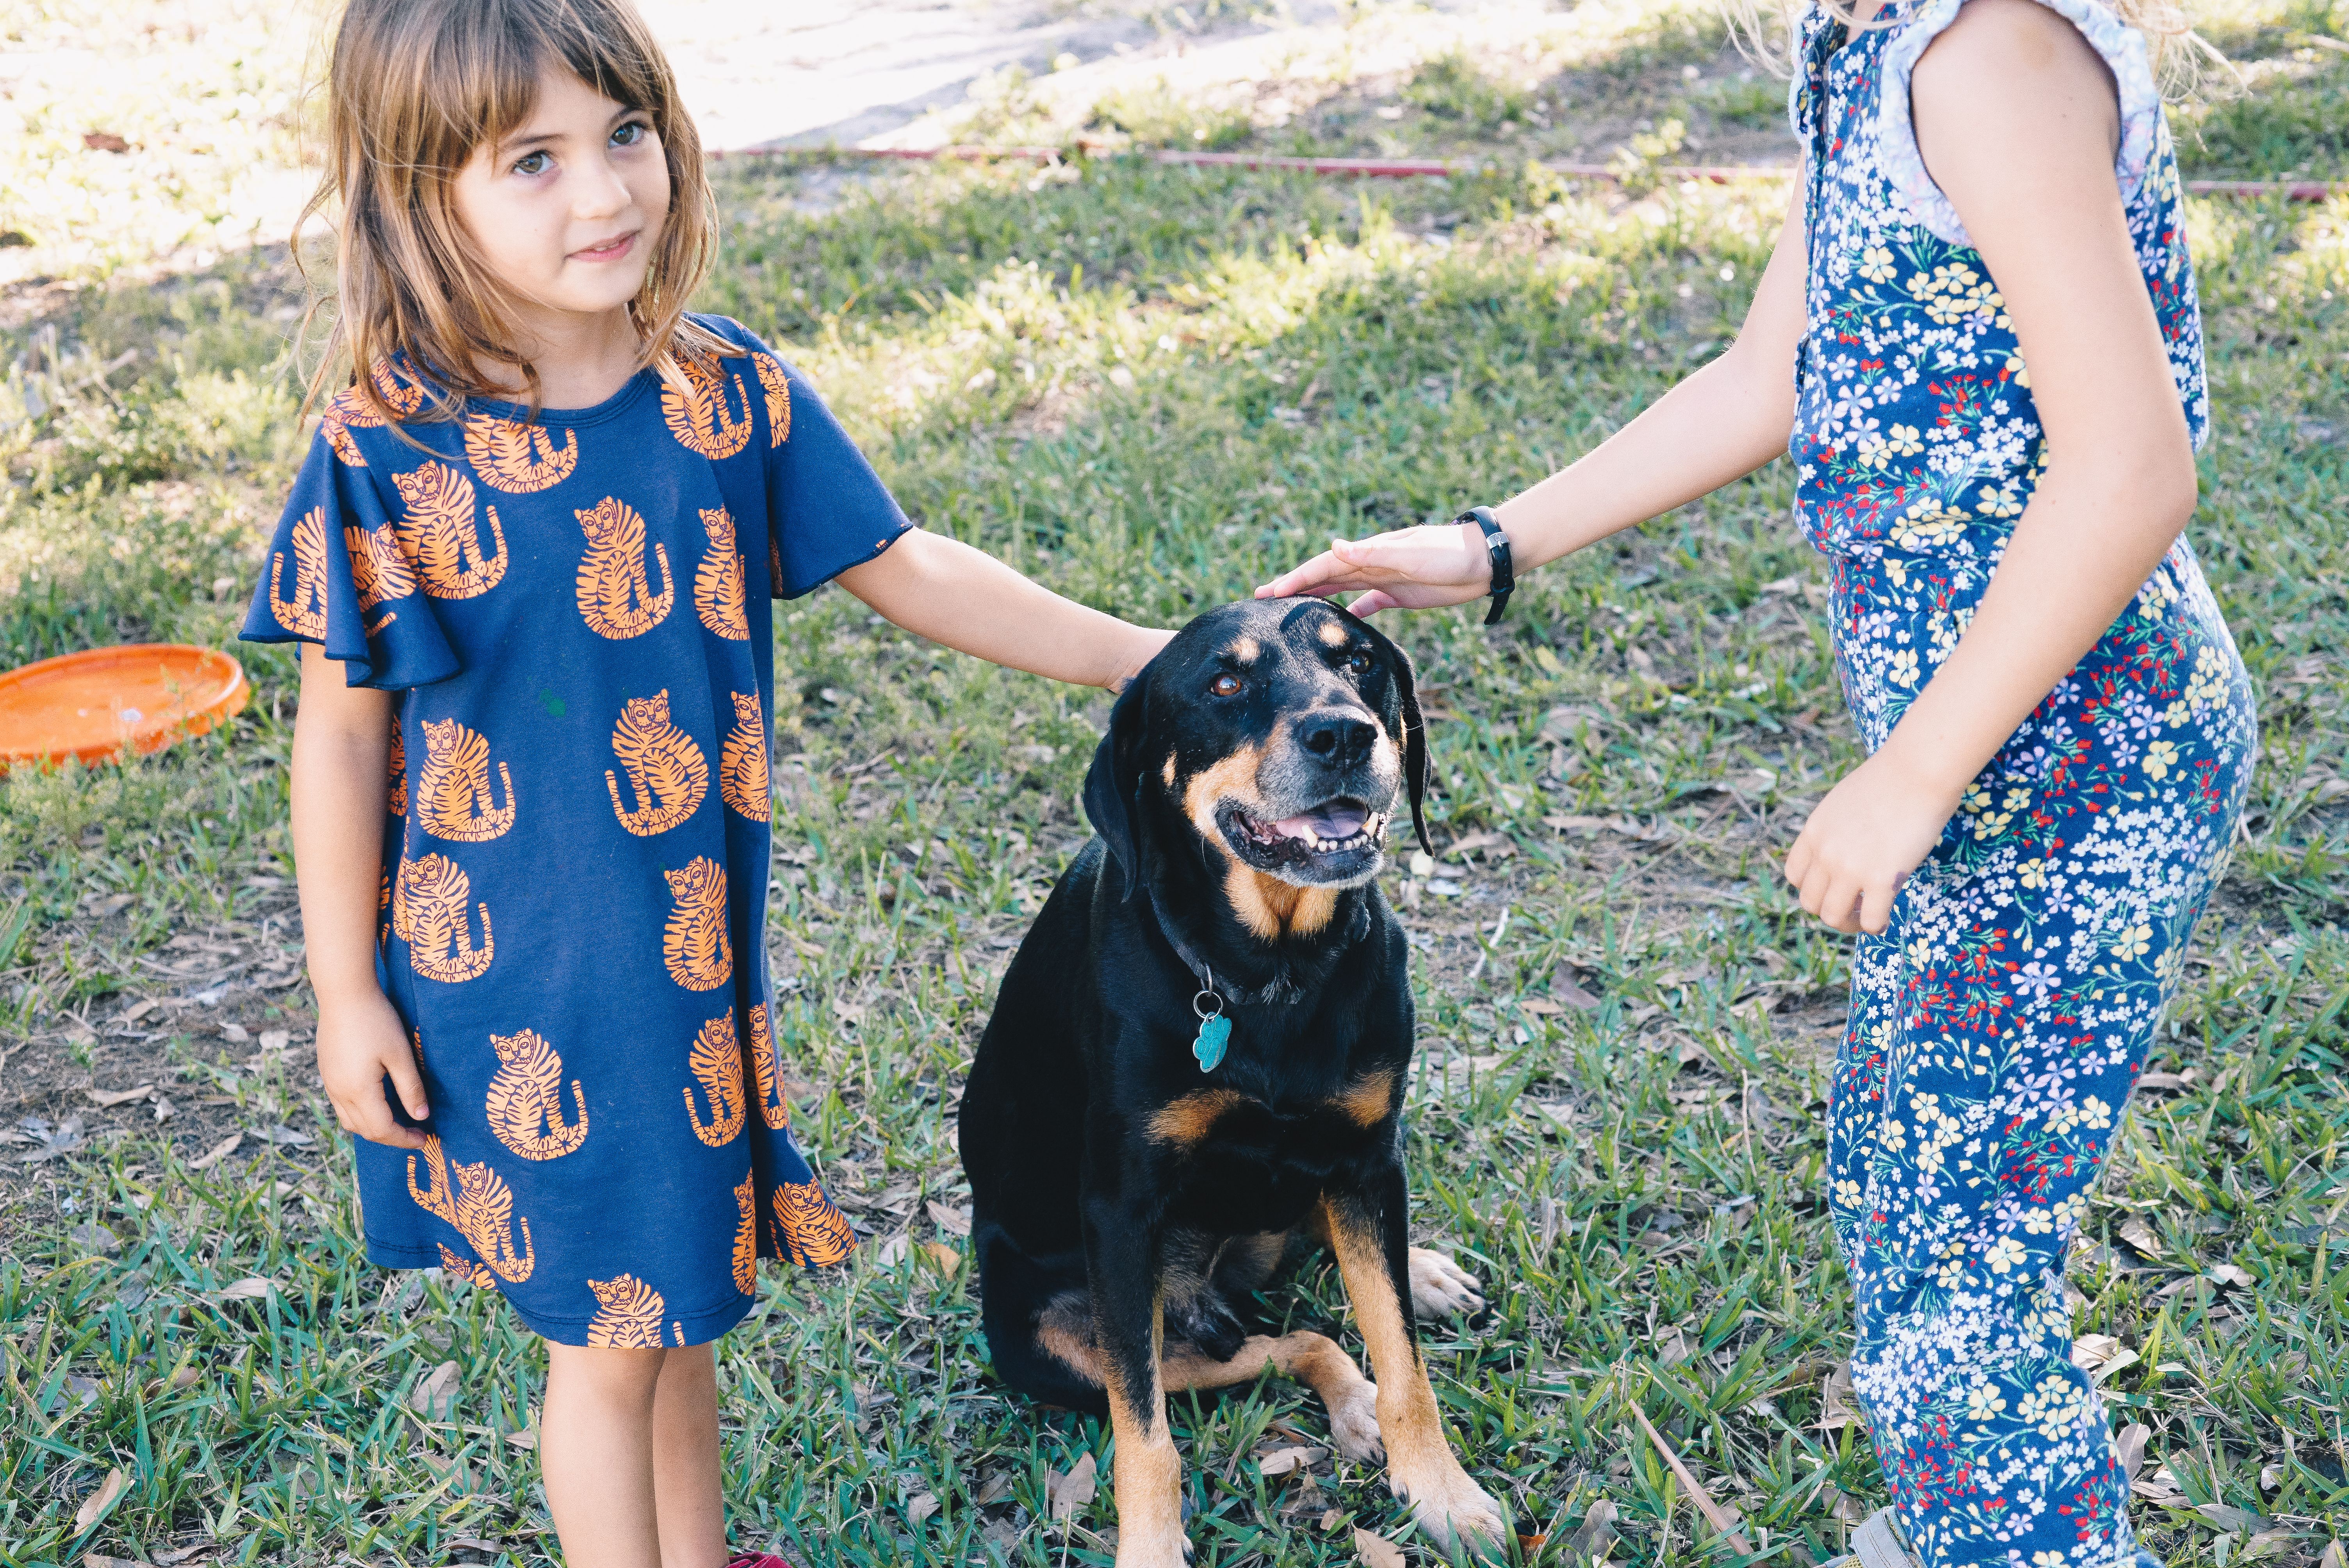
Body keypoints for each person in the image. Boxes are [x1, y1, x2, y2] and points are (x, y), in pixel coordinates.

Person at [1258, 0, 2255, 1563]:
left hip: (2081, 758)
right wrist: (1490, 543)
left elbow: (2130, 462)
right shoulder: (1862, 45)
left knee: (1956, 1252)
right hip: (2001, 761)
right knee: (1902, 1179)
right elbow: (1767, 367)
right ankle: (1970, 1528)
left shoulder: (1987, 54)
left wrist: (1912, 772)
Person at [242, 3, 1167, 1564]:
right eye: (529, 160)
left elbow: (909, 563)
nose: (603, 194)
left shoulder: (721, 396)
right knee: (606, 1353)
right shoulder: (392, 450)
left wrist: (1146, 657)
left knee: (676, 1311)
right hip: (531, 985)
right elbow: (339, 736)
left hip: (684, 965)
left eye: (624, 135)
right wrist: (346, 993)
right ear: (421, 193)